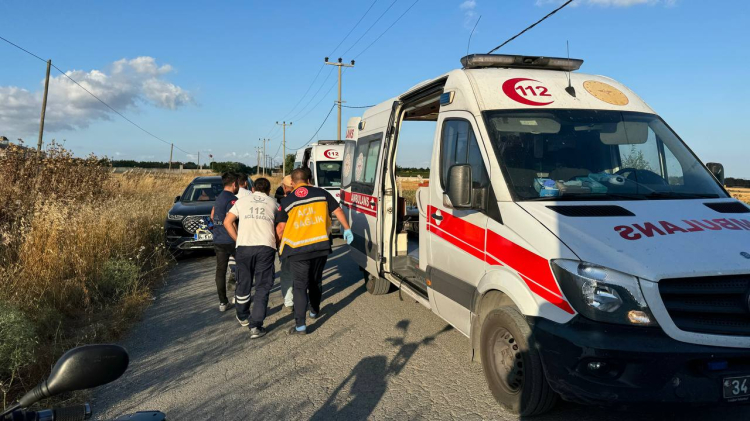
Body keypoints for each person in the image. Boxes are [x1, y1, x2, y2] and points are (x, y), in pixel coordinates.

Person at [275, 168, 354, 335]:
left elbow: (280, 229)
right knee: (315, 280)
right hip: (320, 246)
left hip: (297, 250)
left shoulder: (287, 201)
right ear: (309, 179)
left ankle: (301, 326)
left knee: (300, 287)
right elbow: (338, 210)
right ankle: (314, 310)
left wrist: (279, 247)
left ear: (292, 183)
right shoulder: (321, 194)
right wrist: (346, 229)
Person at [224, 177, 277, 339]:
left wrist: (237, 238)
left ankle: (242, 315)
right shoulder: (274, 203)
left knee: (244, 282)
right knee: (263, 286)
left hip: (244, 247)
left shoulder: (241, 201)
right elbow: (280, 228)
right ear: (268, 190)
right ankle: (256, 326)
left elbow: (227, 222)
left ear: (253, 189)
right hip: (265, 247)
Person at [211, 171, 239, 312]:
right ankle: (238, 296)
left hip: (218, 239)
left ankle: (223, 302)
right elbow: (231, 220)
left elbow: (212, 215)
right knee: (241, 267)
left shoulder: (219, 197)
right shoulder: (232, 199)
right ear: (234, 184)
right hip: (231, 239)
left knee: (220, 271)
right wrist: (238, 239)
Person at [274, 175, 296, 311]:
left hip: (288, 244)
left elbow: (281, 228)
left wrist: (276, 245)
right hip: (306, 243)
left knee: (287, 272)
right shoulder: (307, 199)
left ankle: (289, 302)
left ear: (285, 187)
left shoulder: (286, 202)